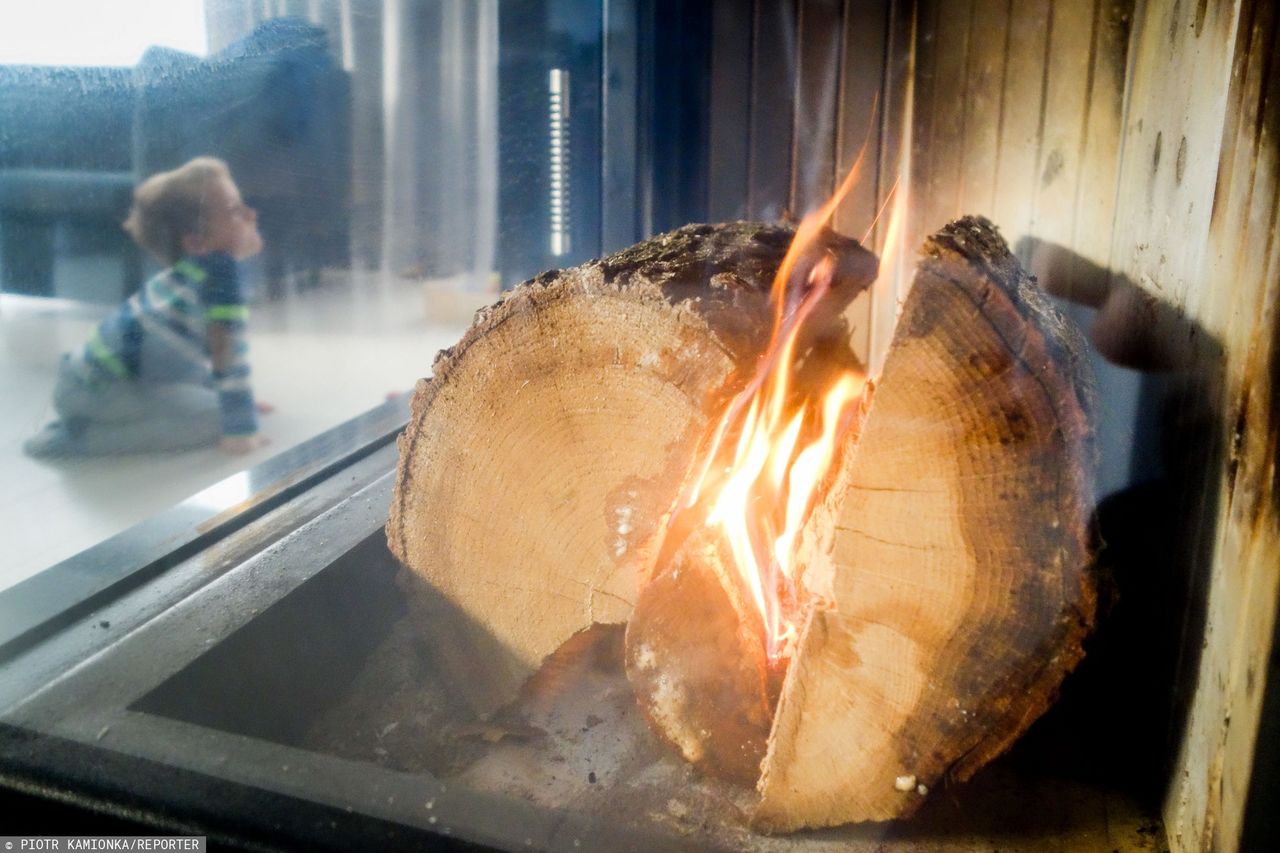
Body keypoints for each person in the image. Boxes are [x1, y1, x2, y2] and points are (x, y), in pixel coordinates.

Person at [23, 157, 272, 458]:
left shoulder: (192, 273)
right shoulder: (221, 275)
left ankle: (85, 424)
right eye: (234, 211)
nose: (250, 214)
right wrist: (240, 424)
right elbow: (227, 356)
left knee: (212, 406)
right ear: (197, 243)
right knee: (214, 422)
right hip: (101, 391)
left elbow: (184, 358)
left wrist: (230, 397)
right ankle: (79, 441)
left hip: (83, 380)